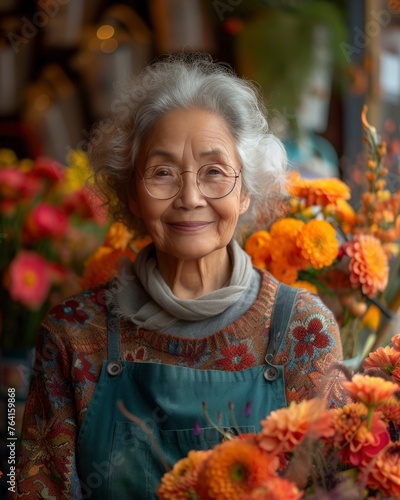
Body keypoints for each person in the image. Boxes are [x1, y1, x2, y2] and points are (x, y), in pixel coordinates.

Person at [14, 53, 346, 499]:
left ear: (246, 191)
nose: (190, 197)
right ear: (131, 193)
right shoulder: (73, 336)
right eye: (163, 173)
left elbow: (339, 486)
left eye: (214, 172)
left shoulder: (303, 332)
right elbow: (29, 486)